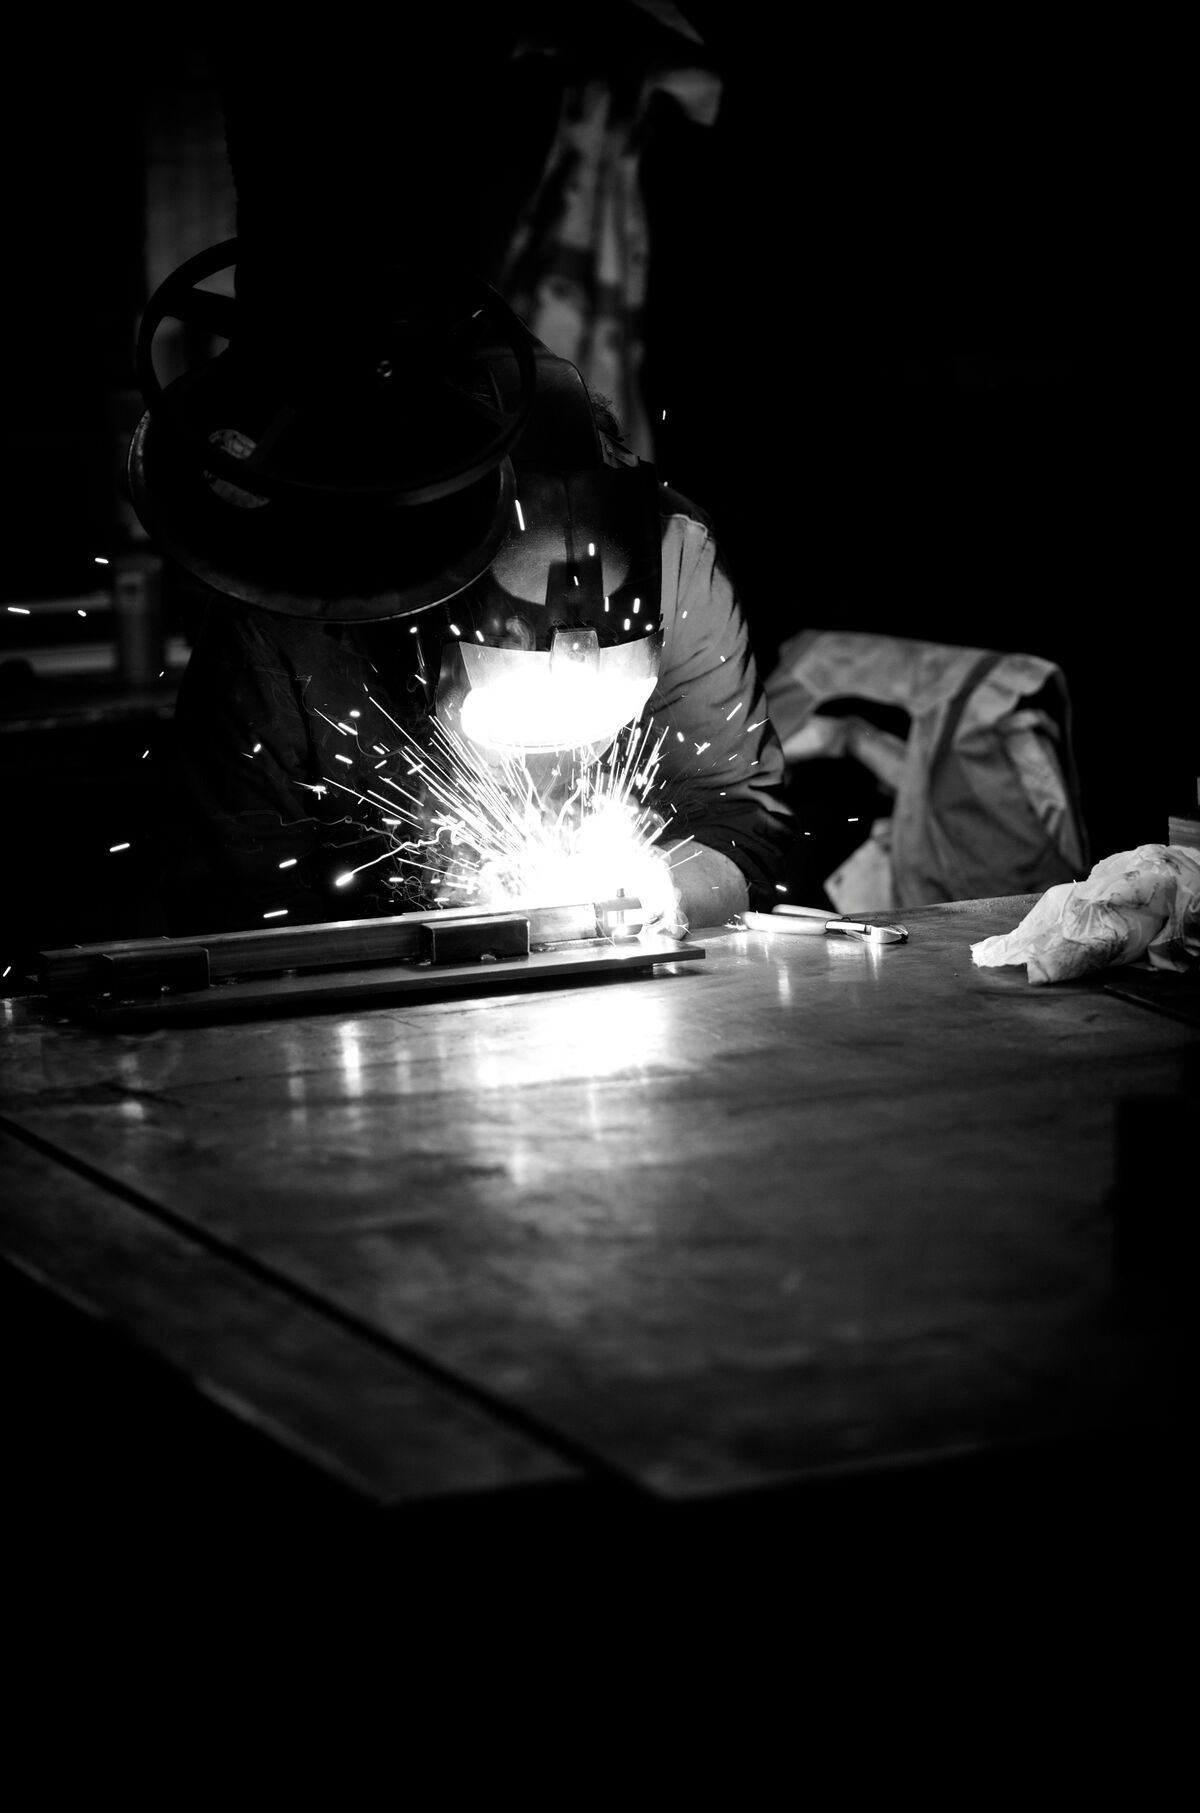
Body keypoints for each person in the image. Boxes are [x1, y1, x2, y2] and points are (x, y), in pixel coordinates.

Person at [160, 383, 792, 939]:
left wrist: (667, 888)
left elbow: (741, 821)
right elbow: (238, 910)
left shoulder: (675, 558)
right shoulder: (288, 610)